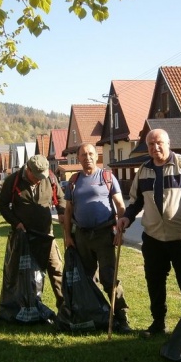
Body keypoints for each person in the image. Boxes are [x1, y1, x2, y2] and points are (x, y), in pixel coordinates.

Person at [116, 129, 181, 337]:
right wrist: (126, 218)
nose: (155, 147)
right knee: (155, 282)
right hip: (154, 238)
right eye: (150, 144)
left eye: (159, 143)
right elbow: (136, 201)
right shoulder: (144, 170)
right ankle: (158, 322)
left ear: (168, 143)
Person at [63, 143, 132, 333]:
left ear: (97, 156)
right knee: (85, 278)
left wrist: (120, 231)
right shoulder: (74, 181)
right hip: (82, 236)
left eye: (91, 154)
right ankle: (93, 312)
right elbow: (68, 211)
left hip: (104, 235)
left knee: (109, 277)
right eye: (83, 155)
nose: (87, 157)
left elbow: (120, 205)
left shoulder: (107, 177)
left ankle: (121, 316)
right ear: (78, 158)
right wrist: (68, 236)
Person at [0, 154, 66, 309]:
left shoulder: (49, 178)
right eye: (36, 176)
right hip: (24, 236)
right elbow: (2, 205)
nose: (40, 179)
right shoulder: (13, 180)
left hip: (46, 234)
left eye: (42, 175)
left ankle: (64, 307)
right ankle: (26, 307)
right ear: (28, 170)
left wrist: (62, 211)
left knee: (56, 269)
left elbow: (61, 198)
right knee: (23, 272)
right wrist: (16, 223)